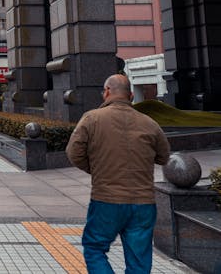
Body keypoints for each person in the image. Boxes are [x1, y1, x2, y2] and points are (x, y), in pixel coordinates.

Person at [66, 74, 170, 273]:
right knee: (139, 259)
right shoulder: (149, 123)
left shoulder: (92, 118)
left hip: (106, 200)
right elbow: (164, 157)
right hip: (143, 202)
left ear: (106, 92)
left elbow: (73, 153)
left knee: (94, 247)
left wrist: (96, 168)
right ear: (131, 95)